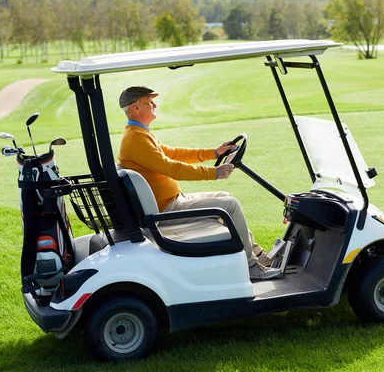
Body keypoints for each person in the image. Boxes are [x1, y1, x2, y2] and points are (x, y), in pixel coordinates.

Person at [117, 86, 280, 280]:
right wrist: (214, 173)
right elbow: (172, 167)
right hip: (167, 210)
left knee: (225, 197)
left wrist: (214, 153)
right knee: (231, 205)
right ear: (135, 107)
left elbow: (174, 153)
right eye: (148, 102)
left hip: (171, 201)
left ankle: (259, 255)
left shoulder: (140, 134)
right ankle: (251, 266)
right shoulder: (136, 139)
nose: (154, 105)